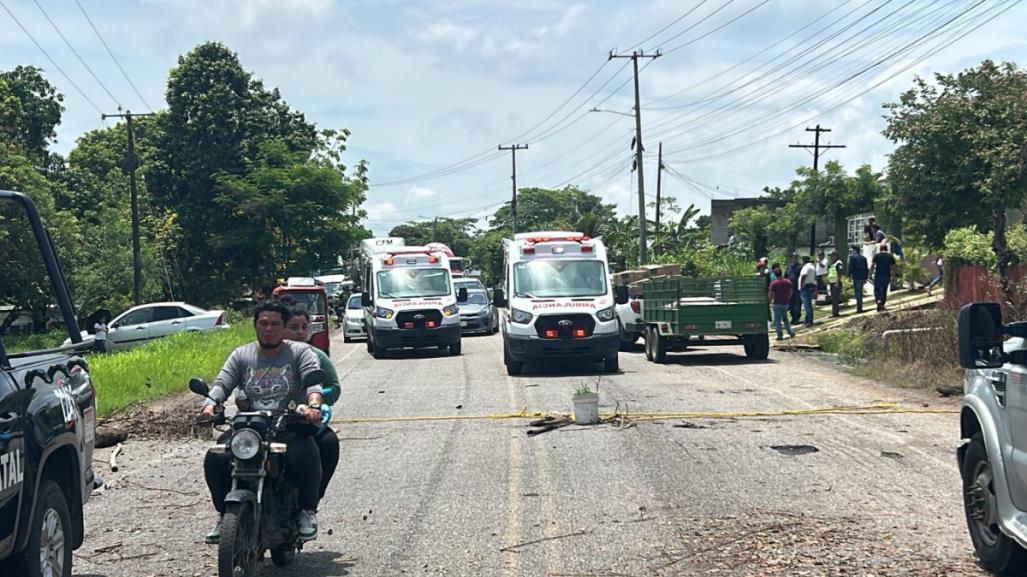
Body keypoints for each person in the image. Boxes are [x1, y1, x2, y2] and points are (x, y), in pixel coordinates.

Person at [202, 301, 325, 544]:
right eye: (263, 323)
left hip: (288, 424)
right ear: (255, 325)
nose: (269, 329)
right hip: (249, 427)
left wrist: (314, 405)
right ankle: (223, 515)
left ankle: (306, 511)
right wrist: (209, 405)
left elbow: (314, 382)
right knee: (216, 458)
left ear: (283, 327)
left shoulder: (300, 351)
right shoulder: (241, 354)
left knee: (306, 452)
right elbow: (222, 383)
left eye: (275, 324)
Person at [284, 305, 341, 500]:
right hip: (266, 420)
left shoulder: (317, 355)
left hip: (302, 420)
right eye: (294, 327)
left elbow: (334, 388)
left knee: (328, 442)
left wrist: (312, 402)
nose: (300, 332)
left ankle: (313, 498)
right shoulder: (263, 354)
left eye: (304, 327)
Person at [768, 263, 795, 340]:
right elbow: (791, 292)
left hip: (777, 303)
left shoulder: (773, 283)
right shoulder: (788, 282)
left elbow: (771, 294)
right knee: (785, 318)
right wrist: (787, 298)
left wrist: (770, 301)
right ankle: (790, 332)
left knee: (777, 320)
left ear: (775, 275)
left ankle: (780, 334)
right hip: (785, 303)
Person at [870, 245, 896, 312]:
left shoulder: (876, 256)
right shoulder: (890, 256)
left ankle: (878, 300)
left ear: (880, 249)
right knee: (884, 290)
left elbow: (872, 265)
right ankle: (882, 303)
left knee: (877, 289)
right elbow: (893, 267)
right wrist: (893, 276)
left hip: (878, 275)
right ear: (886, 249)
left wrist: (870, 273)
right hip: (886, 275)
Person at [847, 245, 869, 313]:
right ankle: (860, 306)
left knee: (857, 292)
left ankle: (859, 307)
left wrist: (849, 276)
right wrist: (866, 277)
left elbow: (851, 267)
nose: (851, 251)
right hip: (862, 276)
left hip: (856, 276)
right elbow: (866, 268)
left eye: (852, 250)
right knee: (860, 291)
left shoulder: (852, 257)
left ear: (854, 250)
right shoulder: (863, 258)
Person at [799, 255, 818, 326]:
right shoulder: (812, 266)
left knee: (807, 305)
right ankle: (808, 319)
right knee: (808, 304)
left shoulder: (806, 267)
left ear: (804, 261)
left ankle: (809, 321)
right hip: (810, 286)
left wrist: (801, 284)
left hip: (805, 287)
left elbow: (804, 275)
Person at [785, 253, 803, 324]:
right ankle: (793, 317)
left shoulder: (800, 267)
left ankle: (796, 318)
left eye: (795, 258)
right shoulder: (788, 267)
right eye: (792, 257)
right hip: (789, 289)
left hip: (797, 288)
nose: (794, 259)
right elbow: (785, 276)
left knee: (798, 304)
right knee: (790, 305)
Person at [827, 250, 844, 317]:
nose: (831, 257)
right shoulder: (832, 264)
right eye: (830, 256)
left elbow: (840, 273)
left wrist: (837, 282)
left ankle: (835, 313)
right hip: (831, 283)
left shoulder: (838, 263)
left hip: (836, 283)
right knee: (833, 298)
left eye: (832, 256)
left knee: (835, 299)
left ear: (835, 256)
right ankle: (834, 312)